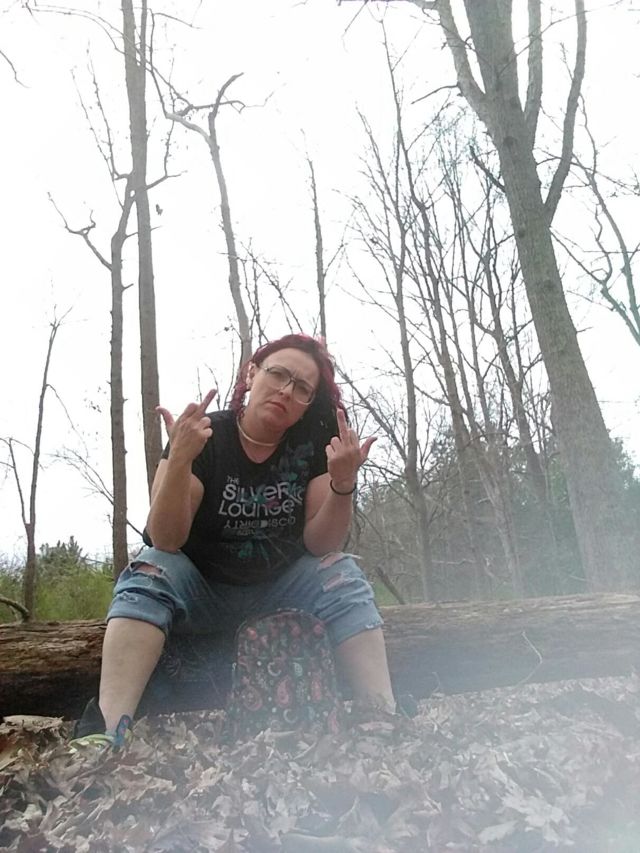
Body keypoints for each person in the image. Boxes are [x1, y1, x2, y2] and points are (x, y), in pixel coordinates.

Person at [72, 334, 396, 747]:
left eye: (302, 388)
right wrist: (180, 459)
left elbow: (321, 545)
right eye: (278, 374)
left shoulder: (316, 447)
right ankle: (107, 731)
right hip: (200, 592)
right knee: (149, 569)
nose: (286, 391)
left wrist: (343, 483)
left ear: (308, 403)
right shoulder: (203, 435)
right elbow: (166, 538)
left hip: (281, 592)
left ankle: (383, 716)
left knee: (342, 573)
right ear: (251, 374)